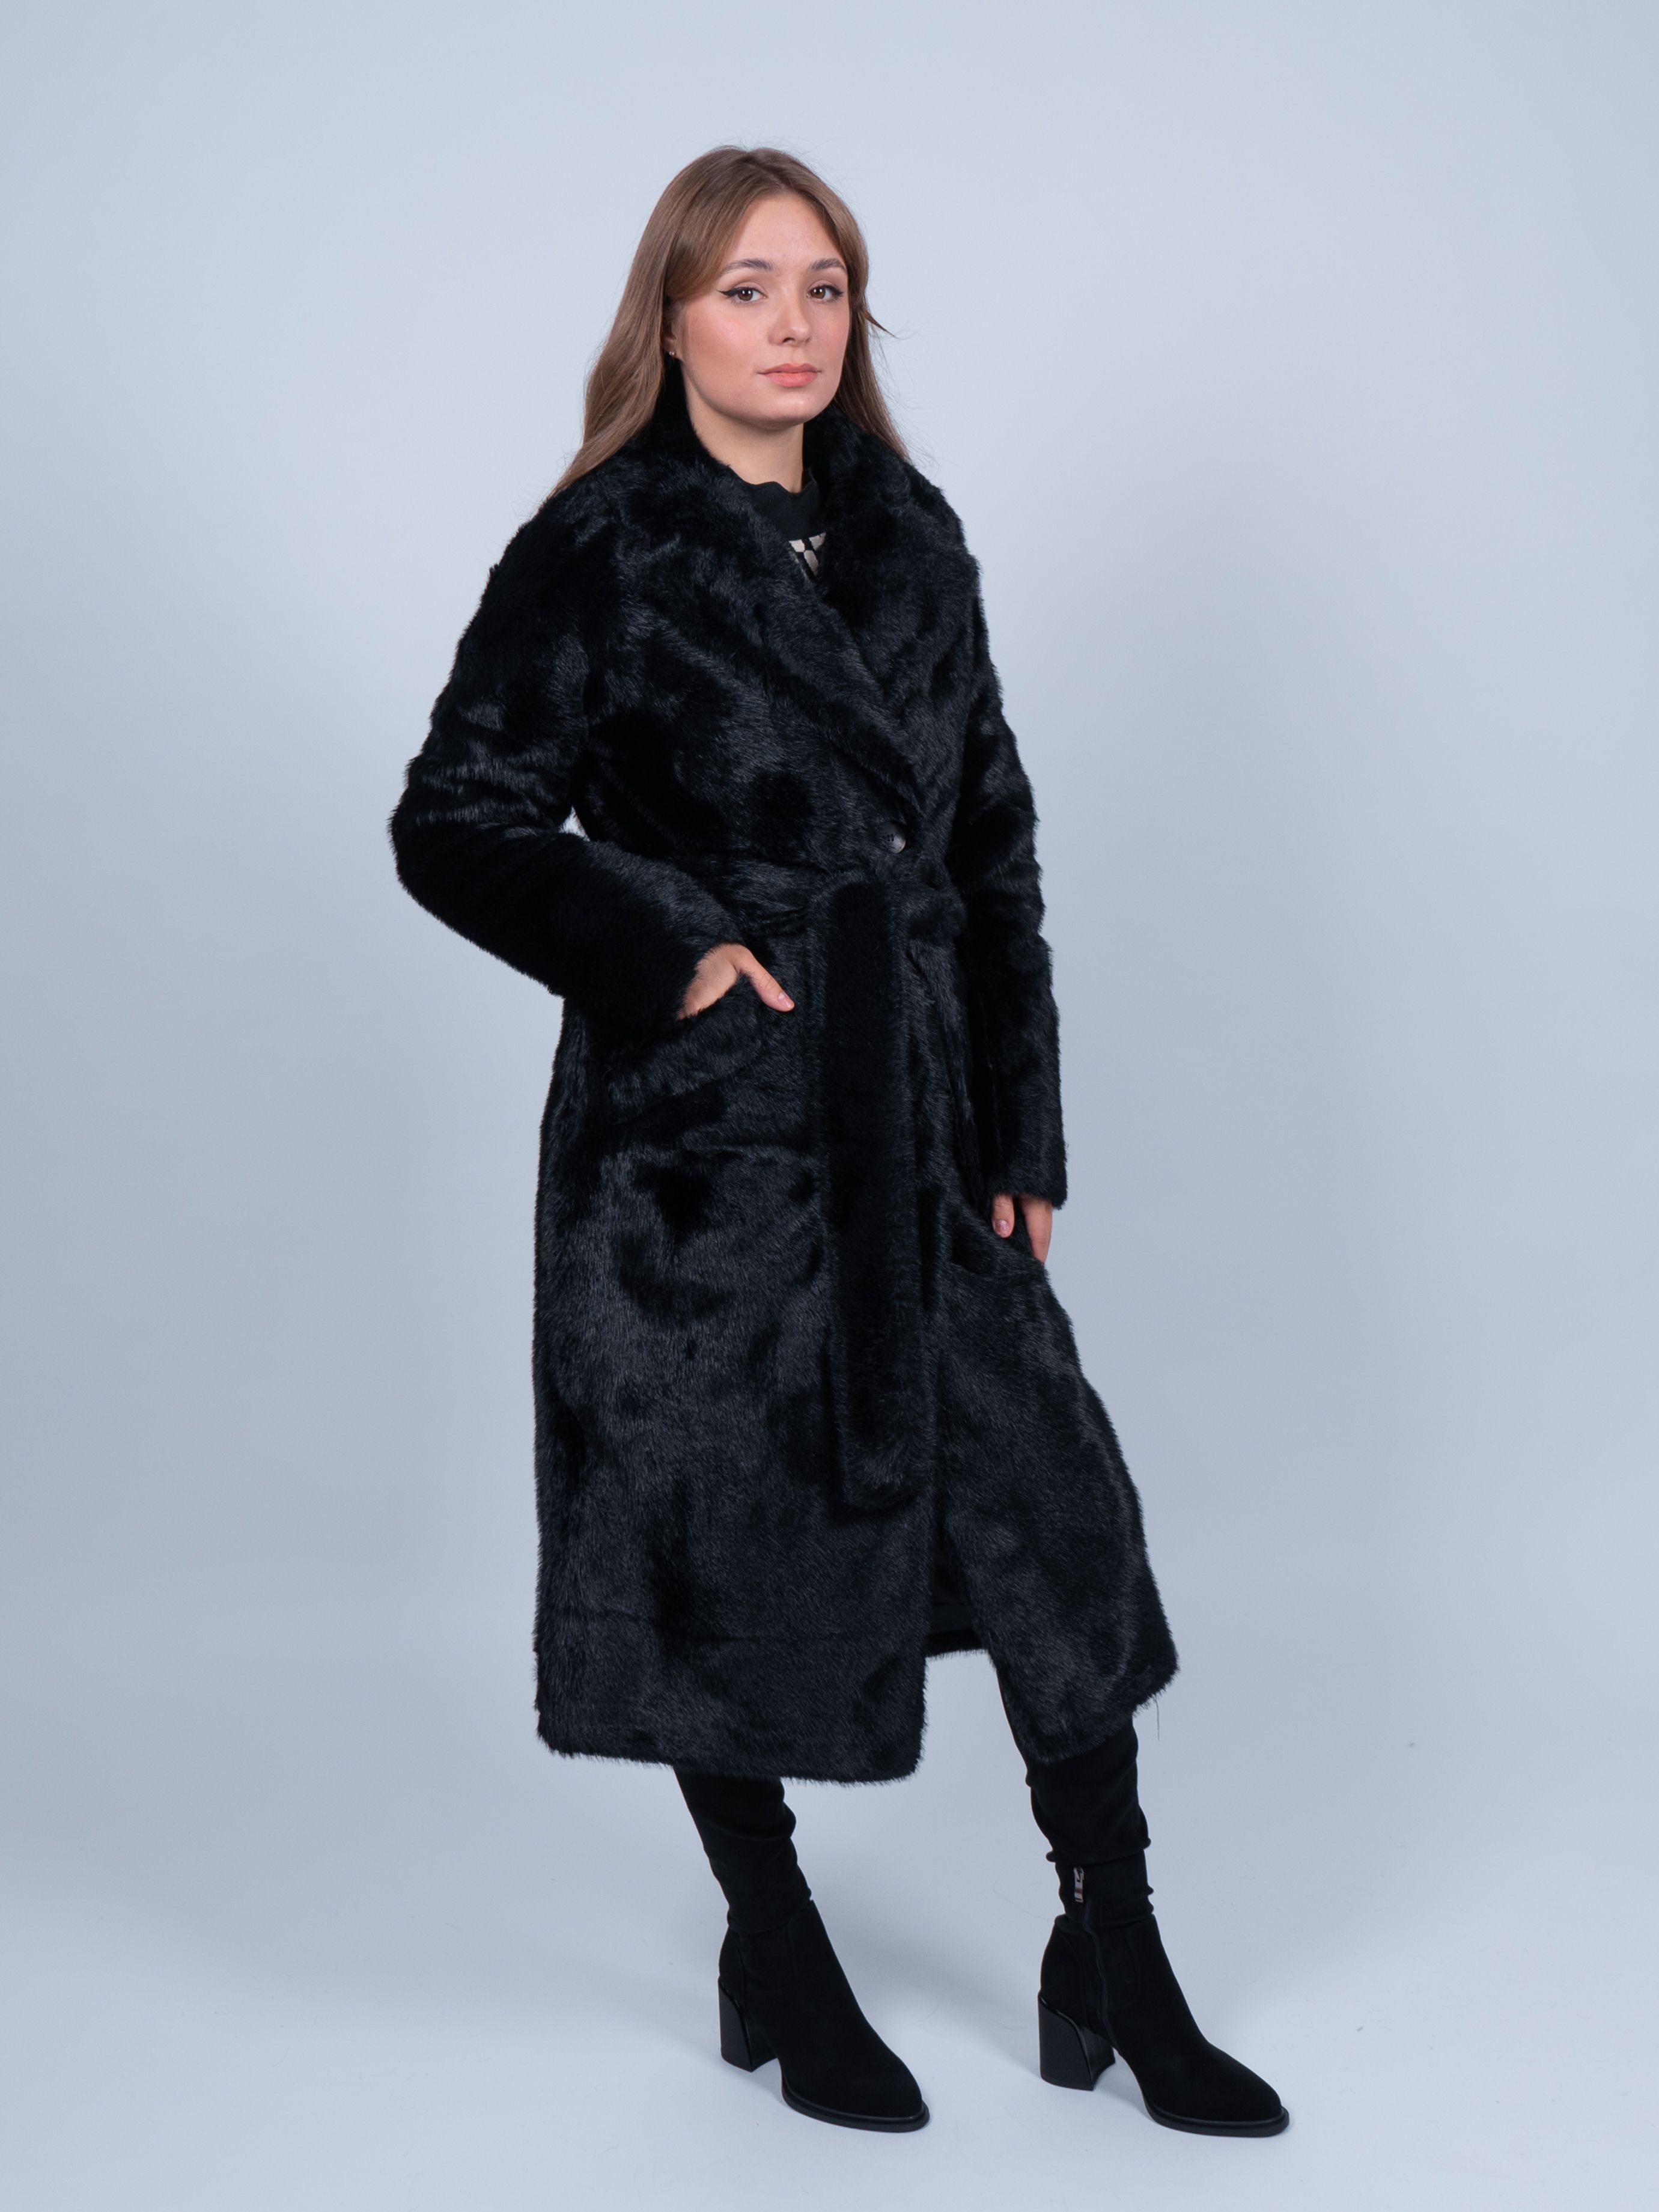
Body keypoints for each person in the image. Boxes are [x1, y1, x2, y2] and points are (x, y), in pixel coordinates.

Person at [390, 144, 1287, 2140]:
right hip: (704, 1160)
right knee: (716, 1541)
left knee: (1057, 1525)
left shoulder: (909, 536)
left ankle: (1115, 1949)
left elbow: (993, 843)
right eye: (745, 289)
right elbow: (454, 817)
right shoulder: (601, 550)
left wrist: (1020, 1112)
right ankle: (777, 1945)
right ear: (670, 318)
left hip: (929, 1130)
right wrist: (675, 956)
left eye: (822, 288)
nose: (790, 325)